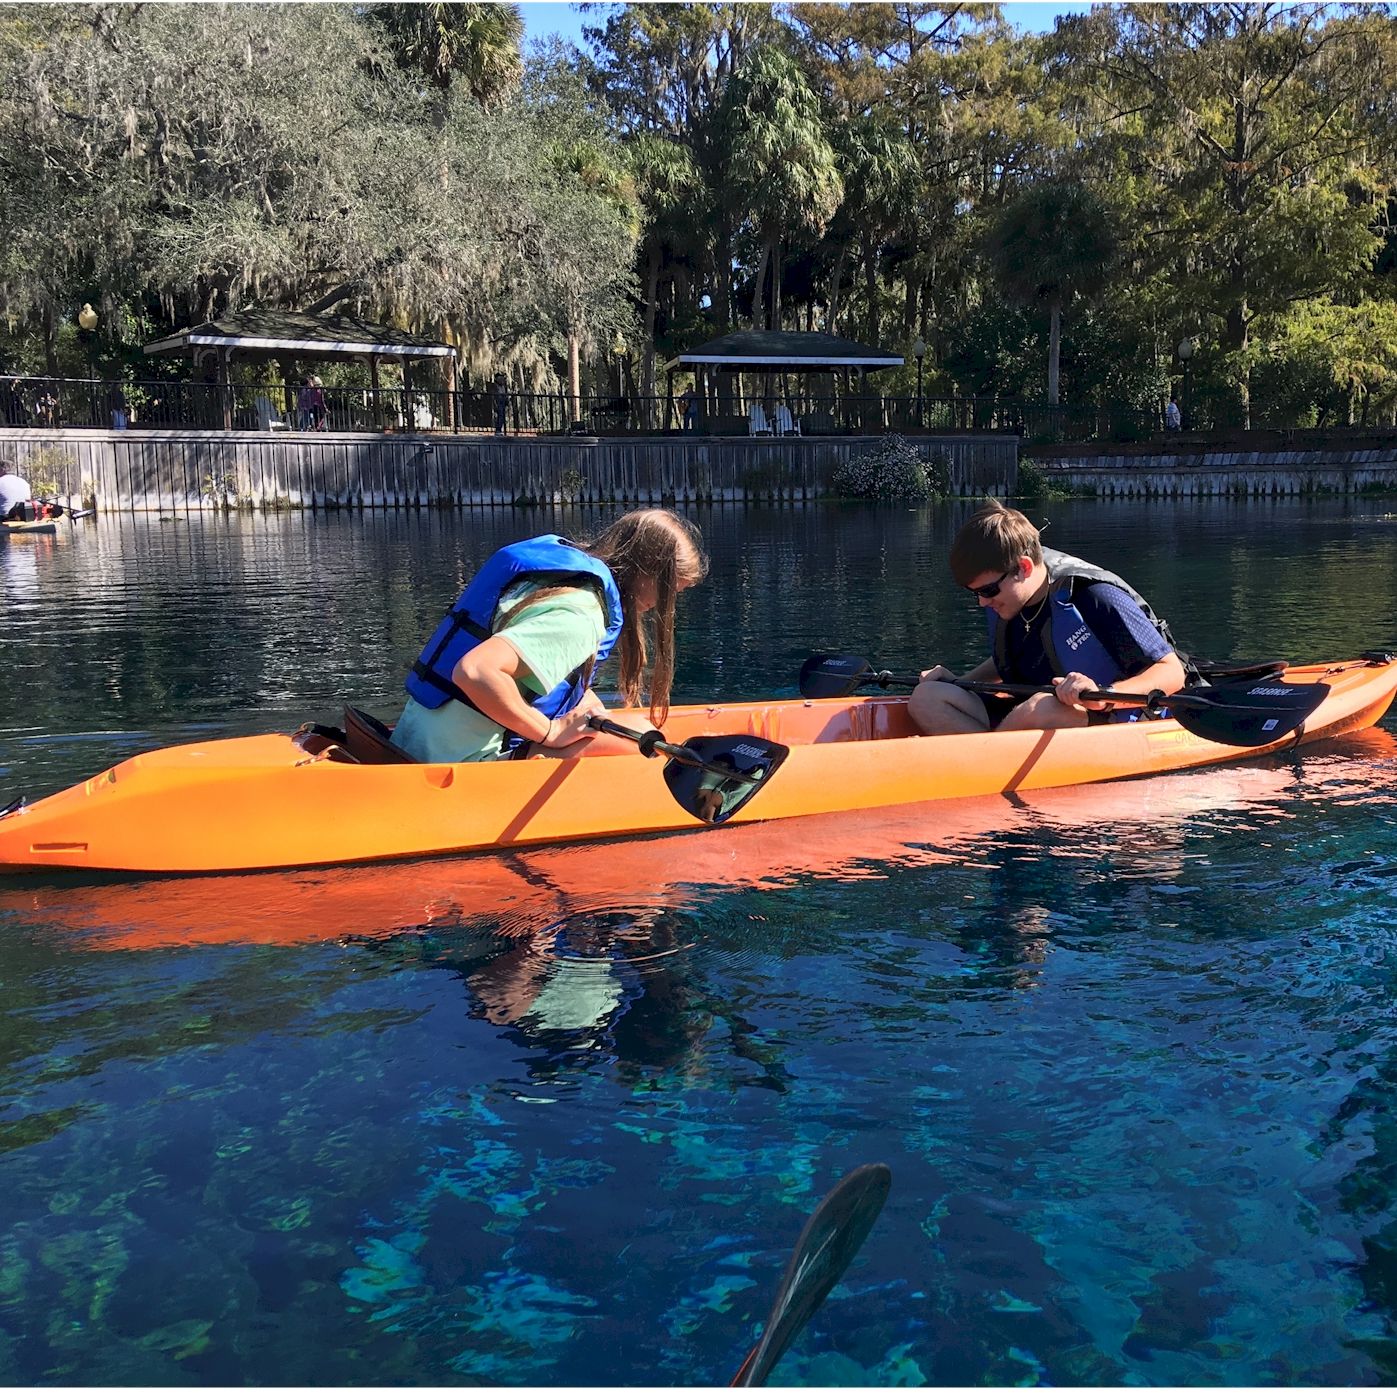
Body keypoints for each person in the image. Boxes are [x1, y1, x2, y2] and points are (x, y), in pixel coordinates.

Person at [394, 508, 708, 764]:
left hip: (415, 742)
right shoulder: (580, 614)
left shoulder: (561, 583)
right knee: (642, 751)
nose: (667, 604)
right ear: (647, 572)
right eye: (672, 591)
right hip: (460, 762)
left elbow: (543, 679)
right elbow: (475, 671)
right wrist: (550, 732)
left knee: (632, 729)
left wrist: (589, 707)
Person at [909, 500, 1187, 736]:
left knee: (1040, 708)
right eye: (975, 593)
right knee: (927, 696)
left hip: (1105, 719)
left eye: (988, 590)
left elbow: (1172, 672)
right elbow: (1010, 657)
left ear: (1023, 567)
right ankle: (987, 759)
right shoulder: (1010, 601)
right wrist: (959, 681)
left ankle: (985, 761)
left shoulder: (1095, 596)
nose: (982, 602)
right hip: (1025, 714)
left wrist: (1103, 695)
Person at [491, 372, 509, 436]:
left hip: (502, 401)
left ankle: (500, 429)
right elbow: (493, 396)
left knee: (502, 416)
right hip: (498, 401)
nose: (502, 380)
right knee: (500, 415)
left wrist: (506, 400)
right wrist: (495, 403)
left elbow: (505, 393)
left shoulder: (503, 386)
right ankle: (498, 429)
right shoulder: (495, 386)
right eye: (500, 379)